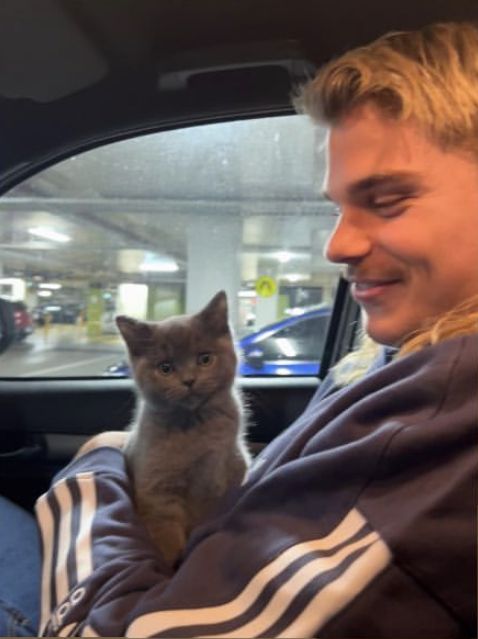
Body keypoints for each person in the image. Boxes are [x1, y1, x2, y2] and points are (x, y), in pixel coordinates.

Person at [2, 20, 478, 637]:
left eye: (387, 201)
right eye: (338, 208)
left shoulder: (443, 410)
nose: (338, 246)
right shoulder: (400, 355)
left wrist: (93, 469)